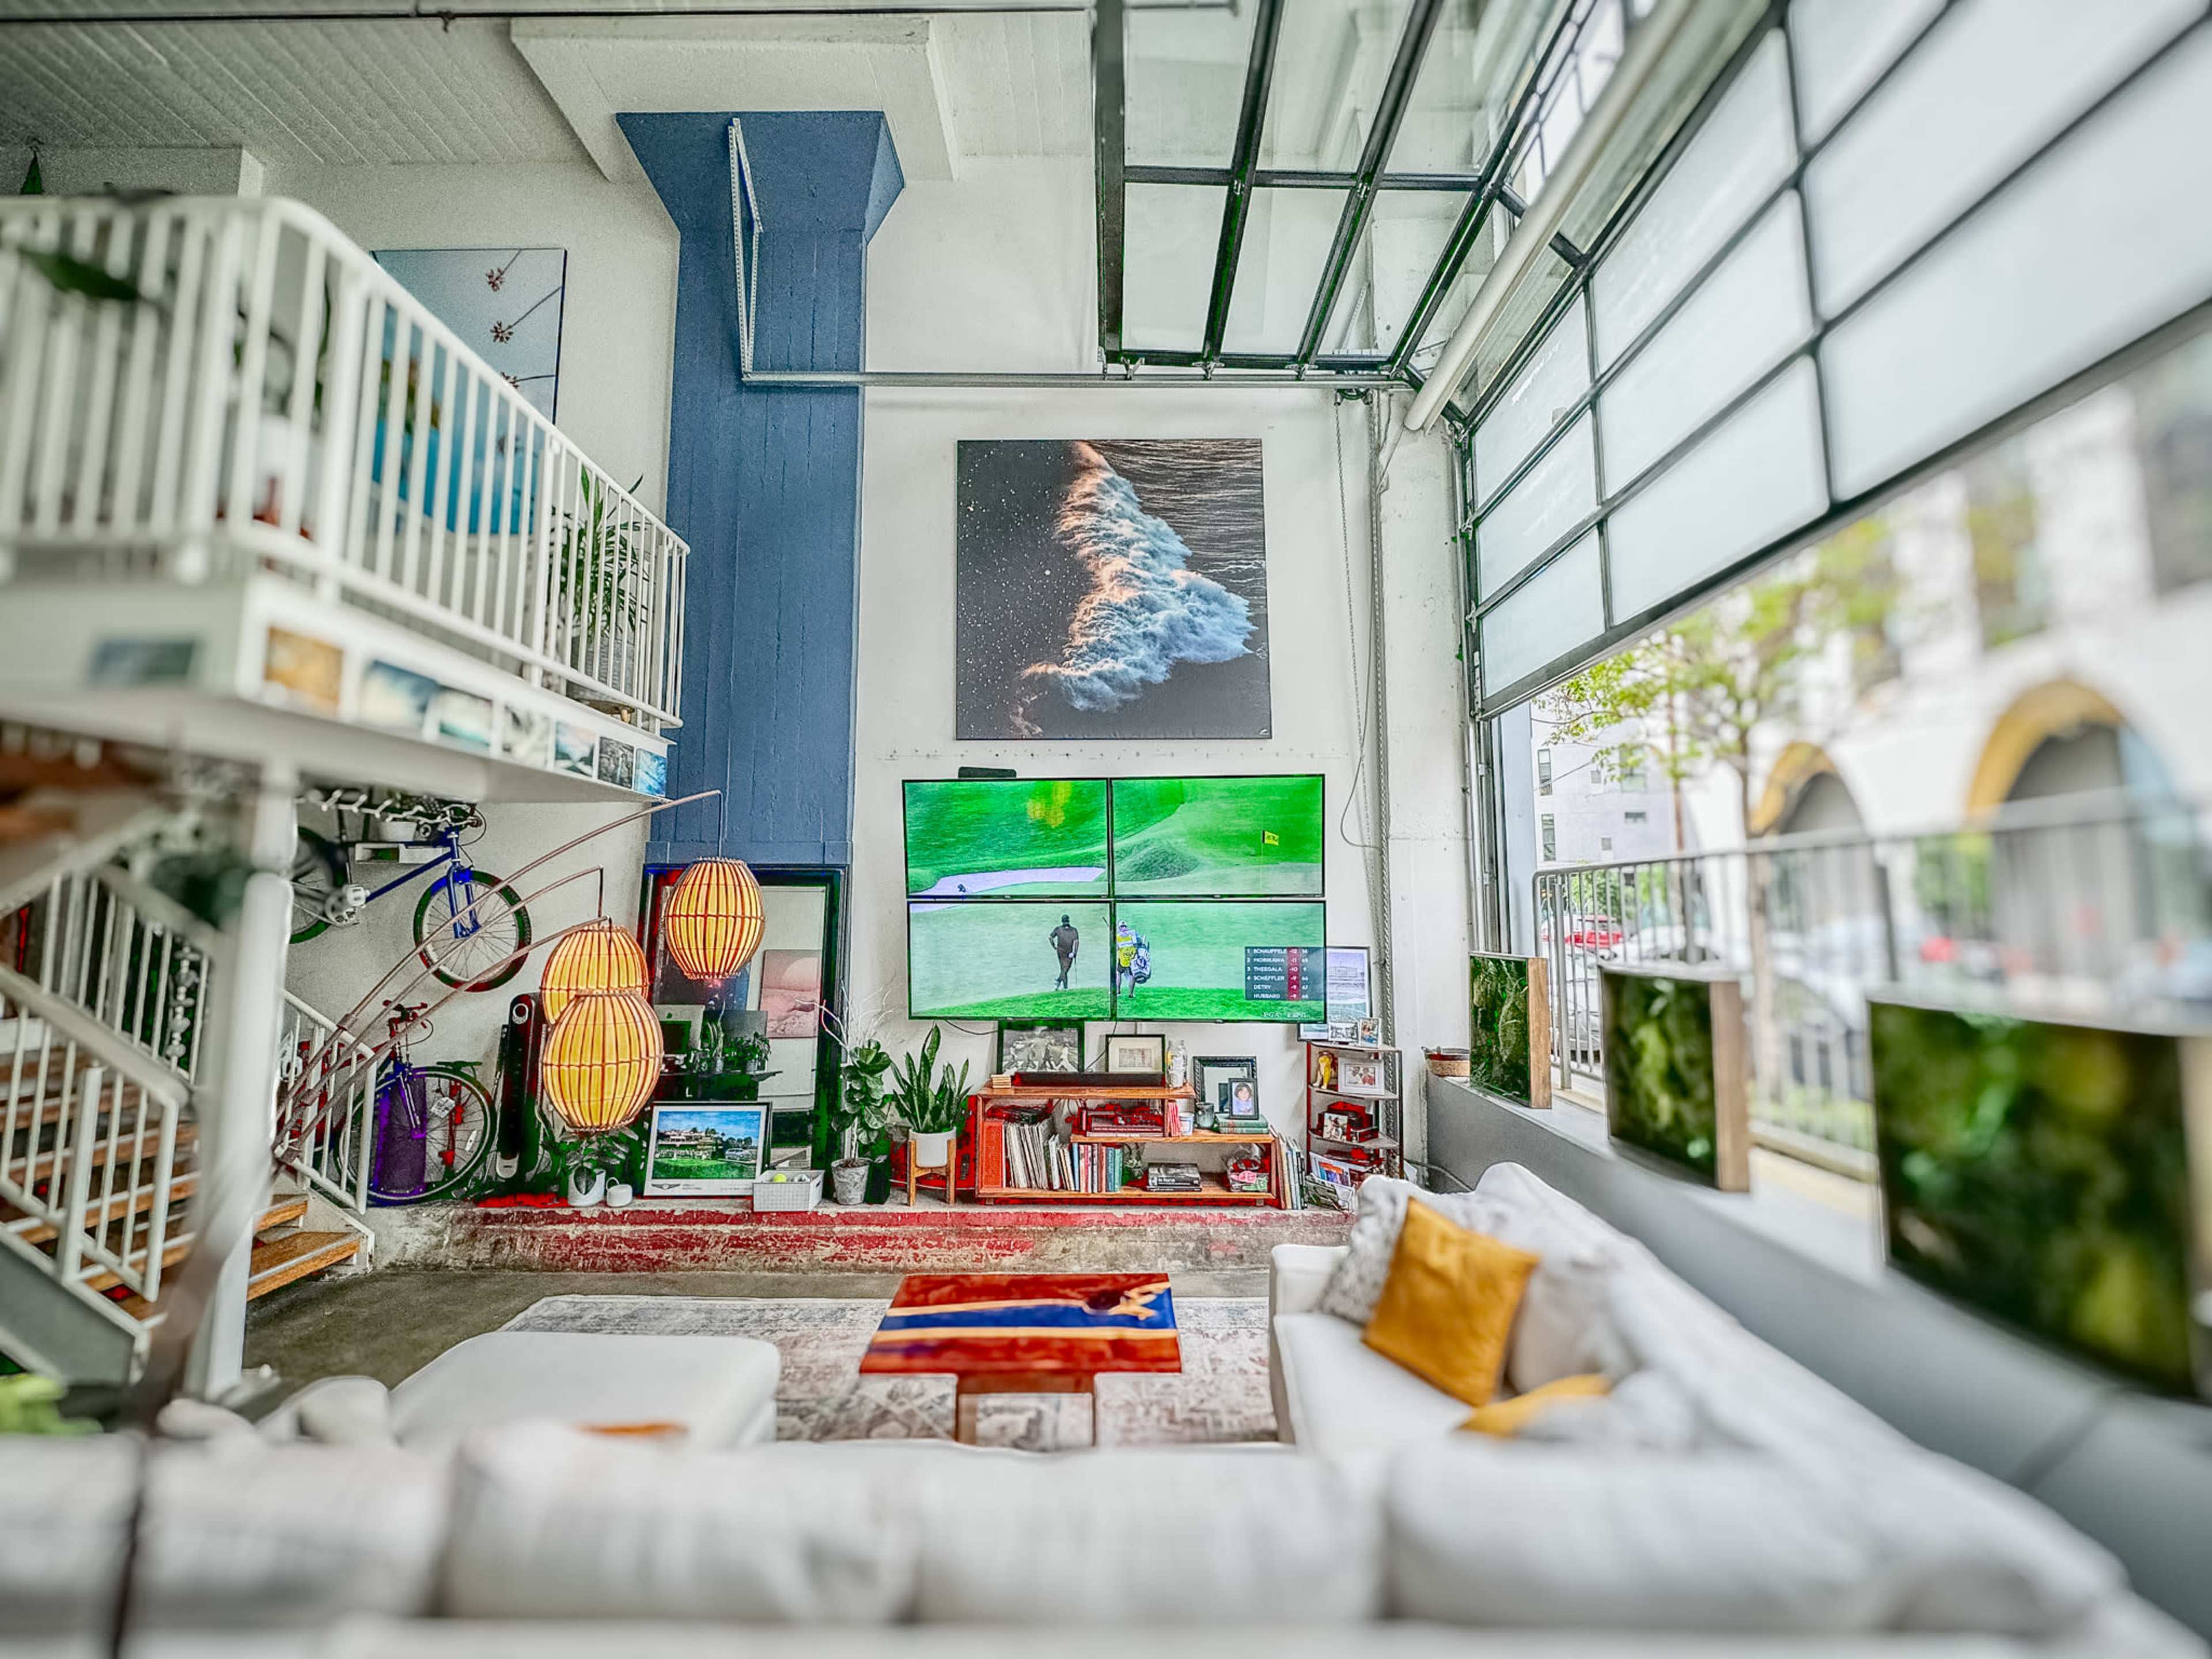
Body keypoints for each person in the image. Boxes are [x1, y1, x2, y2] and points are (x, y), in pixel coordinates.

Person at [1048, 913, 1081, 990]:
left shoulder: (1059, 929)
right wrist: (1074, 952)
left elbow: (1050, 937)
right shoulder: (1073, 930)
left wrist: (1054, 946)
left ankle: (1059, 982)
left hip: (1063, 952)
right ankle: (1065, 987)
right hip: (1064, 952)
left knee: (1064, 969)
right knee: (1065, 969)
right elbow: (1077, 942)